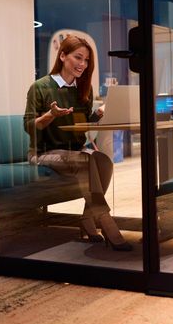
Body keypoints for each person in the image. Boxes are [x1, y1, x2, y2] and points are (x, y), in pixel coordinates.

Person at [23, 35, 131, 251]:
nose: (82, 64)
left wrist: (99, 115)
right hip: (44, 153)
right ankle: (105, 221)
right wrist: (50, 115)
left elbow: (80, 125)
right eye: (78, 57)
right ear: (62, 56)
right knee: (85, 161)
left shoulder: (85, 89)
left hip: (75, 151)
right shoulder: (40, 87)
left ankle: (87, 219)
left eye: (86, 60)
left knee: (104, 161)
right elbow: (29, 126)